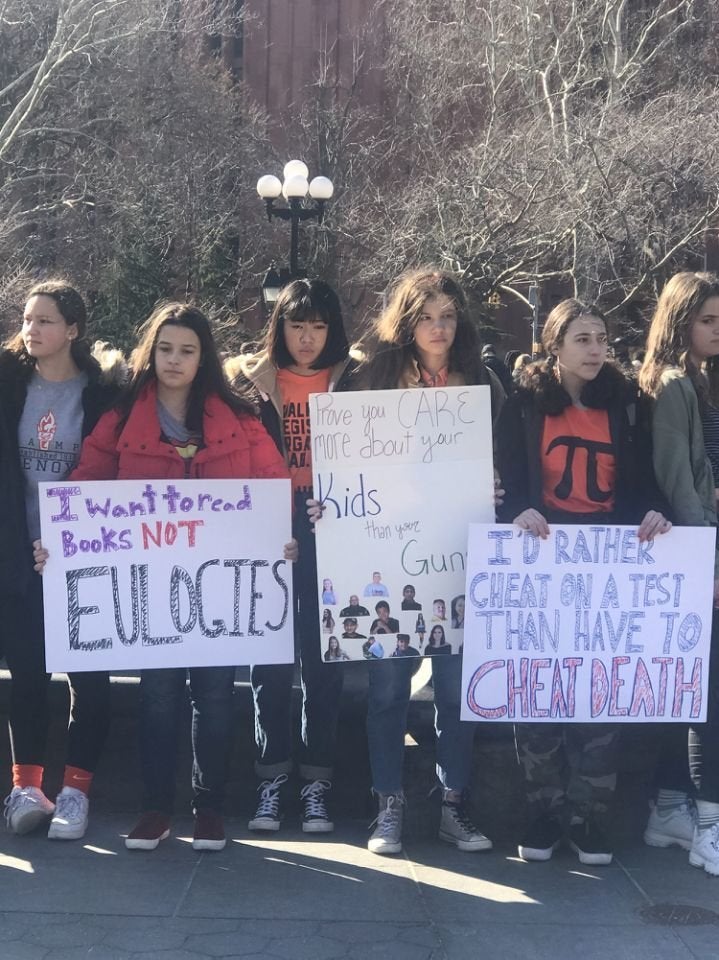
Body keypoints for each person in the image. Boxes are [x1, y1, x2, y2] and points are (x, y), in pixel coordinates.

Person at [54, 302, 292, 852]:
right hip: (152, 595)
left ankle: (209, 809)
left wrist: (283, 538)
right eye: (165, 349)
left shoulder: (241, 420)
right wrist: (58, 543)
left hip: (220, 593)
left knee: (214, 695)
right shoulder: (119, 418)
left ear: (204, 356)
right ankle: (155, 808)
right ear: (150, 352)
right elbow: (84, 488)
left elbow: (273, 488)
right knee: (158, 694)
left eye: (187, 350)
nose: (174, 361)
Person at [497, 298, 670, 867]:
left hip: (607, 559)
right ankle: (543, 810)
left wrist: (652, 513)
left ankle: (589, 816)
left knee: (600, 689)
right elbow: (503, 476)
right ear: (555, 346)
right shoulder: (524, 404)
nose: (596, 349)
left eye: (601, 338)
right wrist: (516, 510)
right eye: (582, 339)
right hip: (543, 557)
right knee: (540, 688)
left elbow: (642, 478)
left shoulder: (624, 404)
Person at [347, 267, 505, 856]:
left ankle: (454, 806)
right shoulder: (374, 378)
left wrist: (496, 484)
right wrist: (332, 508)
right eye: (426, 316)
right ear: (406, 321)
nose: (438, 328)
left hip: (459, 550)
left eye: (448, 316)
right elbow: (346, 461)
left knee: (456, 687)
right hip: (386, 546)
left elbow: (503, 452)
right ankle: (387, 806)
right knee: (387, 687)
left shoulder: (480, 381)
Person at [227, 277, 352, 834]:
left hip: (336, 520)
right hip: (267, 521)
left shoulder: (354, 381)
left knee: (325, 659)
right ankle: (271, 778)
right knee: (269, 661)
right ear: (280, 327)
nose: (307, 338)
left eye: (319, 326)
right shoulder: (251, 383)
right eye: (297, 325)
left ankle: (317, 782)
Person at [1, 280, 119, 841]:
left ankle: (75, 792)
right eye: (27, 319)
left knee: (91, 681)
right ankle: (27, 790)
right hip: (20, 558)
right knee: (27, 676)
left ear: (73, 330)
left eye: (45, 321)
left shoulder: (102, 396)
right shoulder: (8, 383)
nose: (31, 330)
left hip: (84, 562)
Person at [638, 271, 719, 876]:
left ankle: (670, 807)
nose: (717, 330)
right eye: (708, 320)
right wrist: (705, 557)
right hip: (692, 550)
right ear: (680, 321)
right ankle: (703, 825)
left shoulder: (700, 378)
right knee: (701, 689)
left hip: (695, 546)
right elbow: (678, 481)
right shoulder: (673, 385)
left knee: (685, 683)